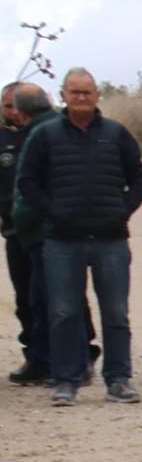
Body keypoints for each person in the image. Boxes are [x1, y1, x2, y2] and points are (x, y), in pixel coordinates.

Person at [13, 69, 142, 407]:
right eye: (75, 93)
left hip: (111, 240)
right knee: (62, 313)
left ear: (97, 95)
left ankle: (118, 380)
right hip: (61, 241)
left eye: (87, 92)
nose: (81, 98)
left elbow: (140, 178)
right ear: (63, 95)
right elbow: (27, 182)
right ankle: (65, 382)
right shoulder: (46, 136)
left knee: (116, 314)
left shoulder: (116, 134)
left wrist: (122, 210)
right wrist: (53, 212)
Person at [2, 83, 49, 383]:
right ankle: (35, 357)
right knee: (26, 298)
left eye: (15, 106)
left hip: (45, 230)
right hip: (14, 230)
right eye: (6, 106)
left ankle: (78, 352)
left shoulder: (45, 133)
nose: (12, 112)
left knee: (53, 295)